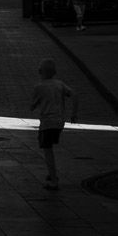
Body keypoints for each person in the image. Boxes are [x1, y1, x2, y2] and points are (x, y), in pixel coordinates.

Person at [31, 58, 78, 190]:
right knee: (48, 145)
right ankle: (51, 173)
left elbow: (32, 105)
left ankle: (53, 179)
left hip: (47, 122)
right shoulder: (60, 84)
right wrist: (74, 113)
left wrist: (36, 103)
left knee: (47, 150)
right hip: (59, 122)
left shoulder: (39, 87)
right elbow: (74, 94)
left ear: (40, 72)